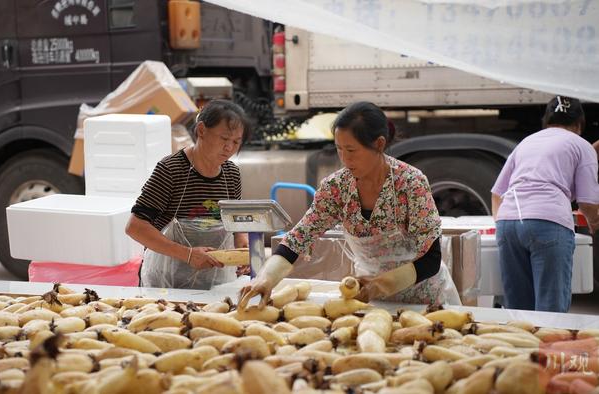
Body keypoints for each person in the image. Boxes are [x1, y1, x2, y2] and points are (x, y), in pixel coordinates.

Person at [239, 101, 459, 308]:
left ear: (379, 144)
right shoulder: (337, 188)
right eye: (339, 149)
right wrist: (266, 278)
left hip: (423, 300)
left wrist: (379, 285)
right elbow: (298, 239)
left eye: (351, 151)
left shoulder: (410, 183)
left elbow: (431, 260)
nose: (344, 159)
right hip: (368, 299)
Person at [126, 99, 251, 290]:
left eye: (236, 142)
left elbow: (235, 223)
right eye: (224, 139)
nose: (229, 148)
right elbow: (135, 227)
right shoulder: (171, 170)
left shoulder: (231, 174)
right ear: (201, 130)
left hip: (215, 282)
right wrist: (188, 254)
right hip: (166, 282)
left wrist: (242, 243)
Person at [491, 96, 599, 313]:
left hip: (508, 223)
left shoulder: (527, 142)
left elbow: (496, 193)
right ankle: (549, 347)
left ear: (546, 120)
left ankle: (521, 346)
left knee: (518, 309)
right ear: (580, 123)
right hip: (549, 222)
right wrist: (594, 223)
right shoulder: (581, 145)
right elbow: (588, 202)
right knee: (551, 308)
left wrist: (504, 225)